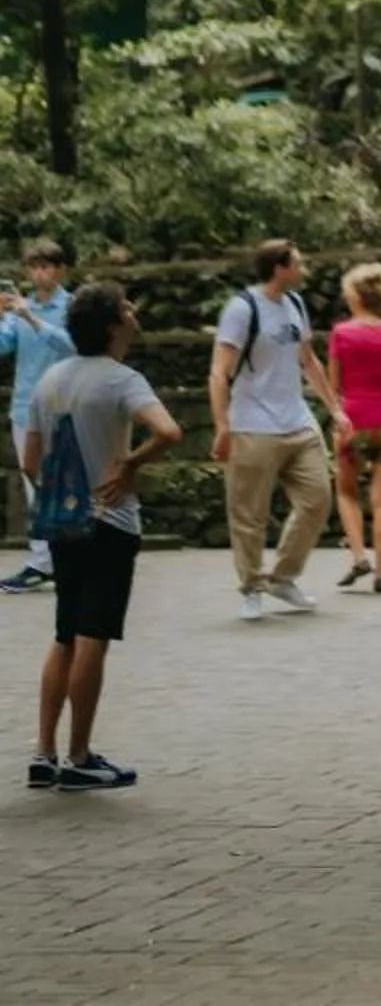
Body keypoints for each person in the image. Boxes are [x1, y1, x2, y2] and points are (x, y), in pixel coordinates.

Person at [22, 284, 180, 792]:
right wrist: (129, 464)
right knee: (94, 636)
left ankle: (43, 753)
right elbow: (169, 431)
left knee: (66, 633)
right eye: (127, 309)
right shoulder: (121, 380)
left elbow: (30, 461)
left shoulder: (51, 380)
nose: (135, 315)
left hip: (64, 525)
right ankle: (79, 755)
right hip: (109, 522)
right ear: (114, 325)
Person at [210, 240, 345, 623]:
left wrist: (335, 409)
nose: (303, 269)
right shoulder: (242, 309)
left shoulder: (295, 305)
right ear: (278, 267)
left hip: (297, 422)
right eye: (297, 263)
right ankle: (251, 586)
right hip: (252, 424)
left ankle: (283, 576)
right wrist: (222, 426)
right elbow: (219, 372)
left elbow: (308, 361)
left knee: (317, 500)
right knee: (249, 513)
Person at [324, 262, 381, 595]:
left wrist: (336, 415)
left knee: (346, 491)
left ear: (357, 297)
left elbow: (334, 385)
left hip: (353, 419)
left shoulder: (341, 333)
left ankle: (359, 557)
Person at [1, 238, 76, 595]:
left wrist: (32, 319)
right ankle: (41, 562)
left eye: (46, 266)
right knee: (35, 486)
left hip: (64, 407)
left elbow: (72, 345)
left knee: (66, 483)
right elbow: (3, 346)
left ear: (59, 270)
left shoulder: (72, 306)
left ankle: (69, 557)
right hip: (24, 409)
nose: (39, 273)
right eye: (34, 267)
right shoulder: (21, 309)